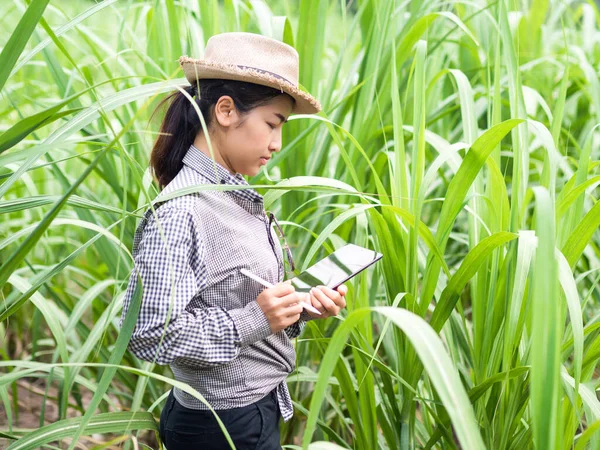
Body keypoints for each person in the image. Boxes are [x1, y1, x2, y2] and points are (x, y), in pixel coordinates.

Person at [120, 32, 348, 450]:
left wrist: (297, 308)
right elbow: (147, 331)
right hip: (220, 427)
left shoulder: (230, 196)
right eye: (272, 124)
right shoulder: (182, 211)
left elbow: (234, 298)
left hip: (248, 415)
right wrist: (255, 319)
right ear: (226, 111)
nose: (277, 144)